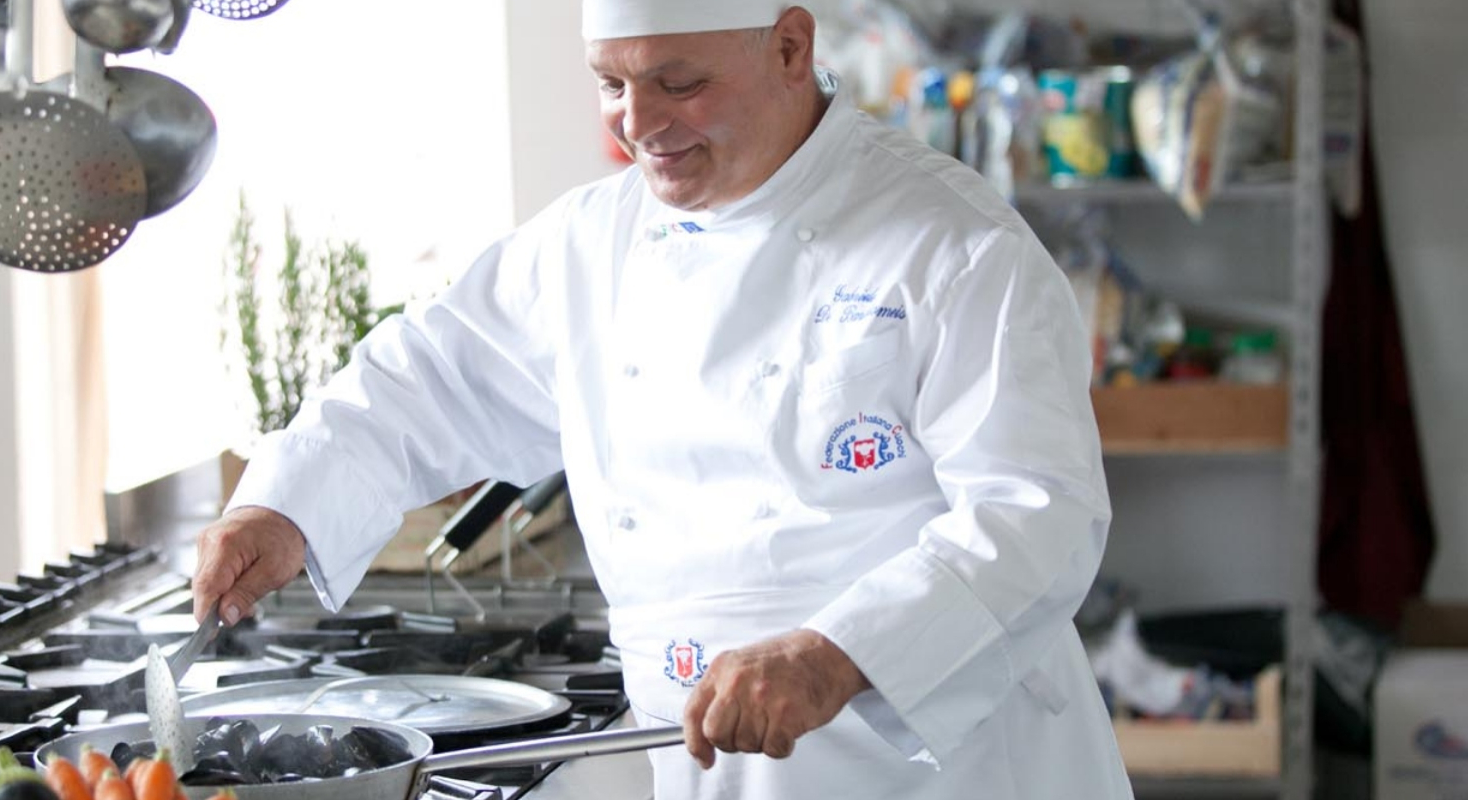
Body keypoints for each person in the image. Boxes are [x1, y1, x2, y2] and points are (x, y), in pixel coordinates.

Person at [193, 1, 1133, 797]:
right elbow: (428, 377)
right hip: (702, 759)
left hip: (940, 765)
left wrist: (832, 654)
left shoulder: (954, 244)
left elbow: (1036, 515)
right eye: (611, 84)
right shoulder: (589, 243)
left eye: (679, 84)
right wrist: (286, 501)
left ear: (791, 47)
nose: (636, 124)